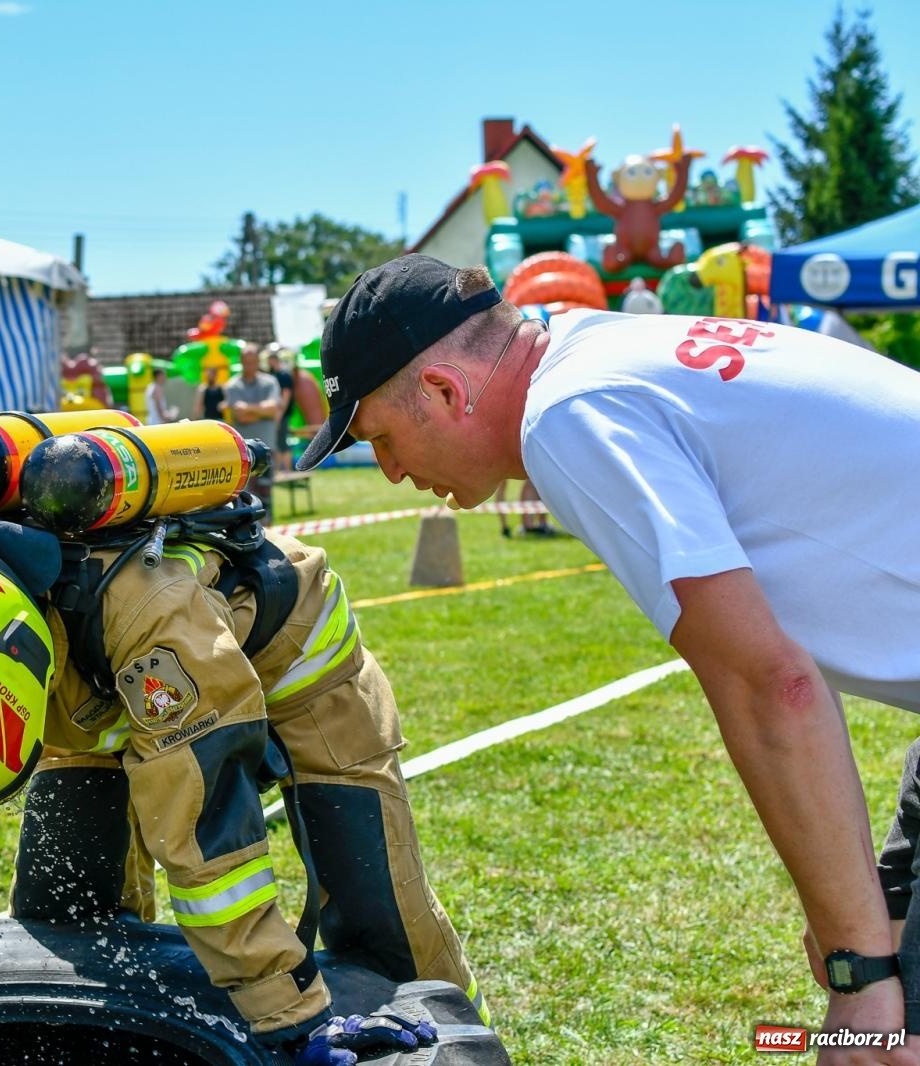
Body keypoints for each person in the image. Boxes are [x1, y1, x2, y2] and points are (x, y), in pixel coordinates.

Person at [296, 252, 920, 1062]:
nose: (390, 473)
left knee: (880, 1030)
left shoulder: (569, 413)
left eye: (379, 438)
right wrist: (865, 932)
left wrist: (856, 969)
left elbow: (772, 687)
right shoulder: (603, 351)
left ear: (447, 392)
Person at [0, 510, 484, 1063]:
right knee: (67, 908)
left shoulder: (156, 618)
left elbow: (206, 839)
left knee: (373, 902)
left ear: (15, 662)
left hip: (290, 670)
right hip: (93, 688)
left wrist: (289, 1017)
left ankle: (460, 1030)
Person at [222, 352, 283, 515]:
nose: (249, 366)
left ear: (258, 362)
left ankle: (268, 526)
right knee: (246, 495)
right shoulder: (232, 385)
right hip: (244, 452)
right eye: (246, 362)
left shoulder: (270, 382)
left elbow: (273, 410)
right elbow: (241, 417)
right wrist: (262, 411)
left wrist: (249, 408)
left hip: (266, 446)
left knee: (266, 492)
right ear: (241, 362)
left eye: (252, 362)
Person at [264, 344, 296, 473]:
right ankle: (276, 471)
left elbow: (285, 397)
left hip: (282, 415)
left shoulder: (283, 375)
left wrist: (279, 416)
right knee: (276, 444)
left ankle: (288, 470)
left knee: (283, 443)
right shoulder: (272, 375)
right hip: (275, 415)